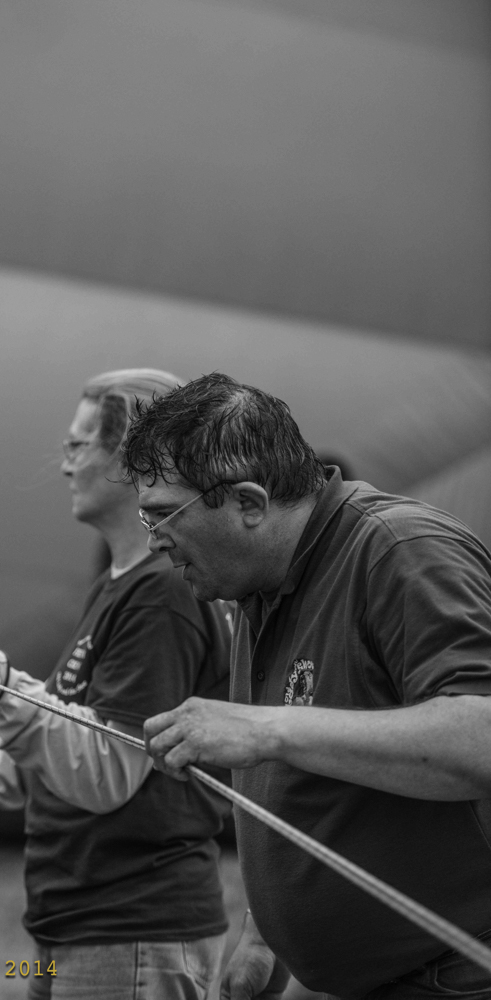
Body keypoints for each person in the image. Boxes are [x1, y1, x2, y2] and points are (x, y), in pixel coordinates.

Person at [121, 372, 491, 1000]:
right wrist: (264, 937)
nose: (154, 541)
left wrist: (266, 729)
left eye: (163, 515)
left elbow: (480, 739)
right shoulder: (258, 582)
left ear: (249, 503)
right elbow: (315, 789)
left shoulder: (401, 549)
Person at [0, 369, 233, 1000]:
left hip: (131, 930)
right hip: (85, 925)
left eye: (78, 445)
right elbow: (68, 718)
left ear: (132, 460)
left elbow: (106, 774)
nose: (65, 464)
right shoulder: (120, 583)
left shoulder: (160, 592)